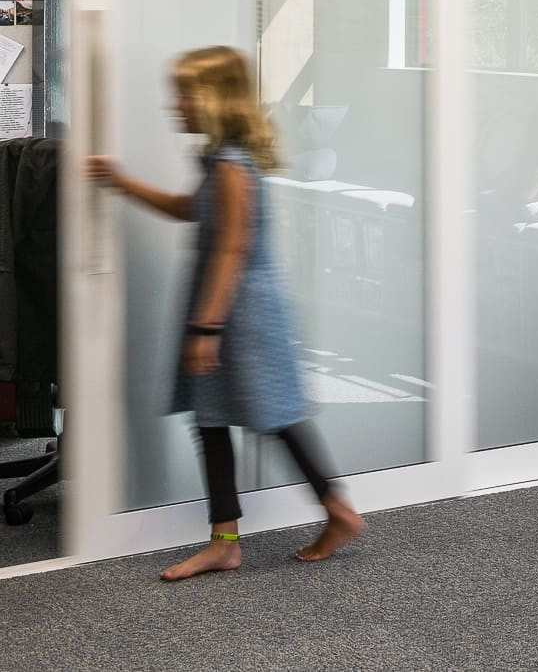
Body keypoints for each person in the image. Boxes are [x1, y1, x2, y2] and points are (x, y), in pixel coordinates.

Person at [86, 46, 363, 581]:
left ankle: (285, 524)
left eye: (184, 95)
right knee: (249, 417)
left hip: (240, 313)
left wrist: (205, 328)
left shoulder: (233, 168)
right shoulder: (222, 162)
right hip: (238, 308)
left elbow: (231, 250)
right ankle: (296, 520)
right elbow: (191, 211)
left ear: (212, 99)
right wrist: (122, 182)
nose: (174, 107)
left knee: (247, 417)